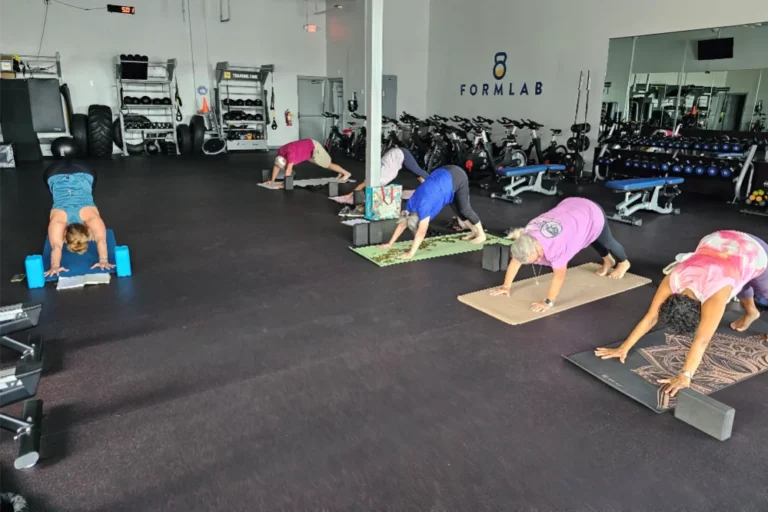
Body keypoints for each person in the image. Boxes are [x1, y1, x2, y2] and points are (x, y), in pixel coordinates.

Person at [595, 230, 768, 397]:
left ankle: (753, 309)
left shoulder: (715, 295)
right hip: (718, 242)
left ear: (702, 310)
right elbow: (652, 316)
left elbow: (702, 340)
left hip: (753, 250)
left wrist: (686, 375)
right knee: (740, 278)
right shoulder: (674, 279)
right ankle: (751, 312)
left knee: (763, 290)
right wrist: (624, 348)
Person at [489, 197, 631, 312]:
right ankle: (608, 261)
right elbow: (515, 261)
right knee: (589, 236)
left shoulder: (556, 247)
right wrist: (506, 286)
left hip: (590, 211)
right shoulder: (525, 239)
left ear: (537, 249)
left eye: (536, 259)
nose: (536, 261)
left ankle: (623, 263)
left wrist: (548, 302)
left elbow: (559, 276)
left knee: (606, 240)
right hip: (570, 207)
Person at [379, 164, 485, 259]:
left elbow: (421, 232)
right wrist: (390, 243)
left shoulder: (423, 208)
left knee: (464, 209)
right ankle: (474, 231)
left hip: (457, 176)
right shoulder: (410, 205)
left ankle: (481, 234)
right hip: (443, 174)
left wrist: (411, 253)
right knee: (457, 210)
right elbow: (402, 224)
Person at [45, 155, 113, 277]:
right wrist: (54, 266)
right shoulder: (58, 221)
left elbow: (101, 241)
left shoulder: (91, 218)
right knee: (55, 189)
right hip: (53, 172)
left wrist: (104, 261)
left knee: (88, 187)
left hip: (84, 170)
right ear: (64, 233)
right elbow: (56, 247)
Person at [265, 139, 351, 188]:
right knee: (323, 164)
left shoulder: (290, 155)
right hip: (306, 151)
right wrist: (272, 180)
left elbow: (288, 171)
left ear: (285, 160)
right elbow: (277, 166)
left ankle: (346, 173)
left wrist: (283, 184)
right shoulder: (280, 153)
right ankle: (340, 172)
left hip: (313, 147)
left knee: (327, 164)